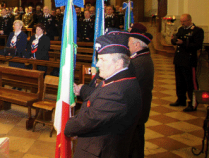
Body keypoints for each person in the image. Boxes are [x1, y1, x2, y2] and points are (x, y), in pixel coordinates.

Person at [66, 33, 142, 157]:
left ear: (119, 63)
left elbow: (91, 119)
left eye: (103, 60)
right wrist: (82, 89)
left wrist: (69, 126)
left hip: (101, 150)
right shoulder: (120, 78)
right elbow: (100, 96)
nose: (98, 64)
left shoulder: (117, 91)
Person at [120, 24, 154, 158]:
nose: (127, 46)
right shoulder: (142, 58)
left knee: (134, 142)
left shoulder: (138, 63)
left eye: (129, 43)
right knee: (136, 138)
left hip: (136, 110)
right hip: (140, 108)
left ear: (136, 45)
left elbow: (126, 85)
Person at [170, 14, 204, 112]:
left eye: (184, 21)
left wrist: (183, 43)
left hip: (189, 61)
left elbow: (197, 45)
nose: (182, 23)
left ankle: (193, 103)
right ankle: (181, 99)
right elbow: (175, 41)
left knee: (191, 83)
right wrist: (173, 40)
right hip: (179, 60)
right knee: (180, 81)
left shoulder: (197, 31)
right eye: (181, 21)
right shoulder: (181, 29)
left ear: (189, 20)